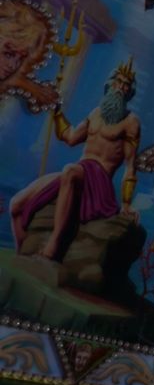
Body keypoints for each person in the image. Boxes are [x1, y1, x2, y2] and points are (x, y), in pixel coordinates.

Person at [9, 59, 141, 260]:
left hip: (99, 181)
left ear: (130, 92)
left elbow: (130, 166)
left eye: (126, 85)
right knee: (16, 205)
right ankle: (22, 252)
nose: (121, 87)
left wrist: (126, 203)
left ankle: (54, 245)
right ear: (110, 84)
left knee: (70, 170)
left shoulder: (131, 122)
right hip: (79, 171)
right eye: (118, 82)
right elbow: (70, 137)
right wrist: (57, 111)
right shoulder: (95, 114)